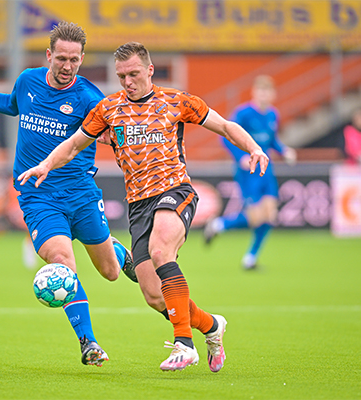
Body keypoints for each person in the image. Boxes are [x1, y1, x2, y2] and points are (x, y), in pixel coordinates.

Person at [17, 42, 269, 372]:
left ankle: (184, 344)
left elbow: (224, 125)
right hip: (138, 205)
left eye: (134, 74)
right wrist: (46, 165)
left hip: (175, 191)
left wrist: (254, 147)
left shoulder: (176, 102)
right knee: (154, 295)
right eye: (122, 76)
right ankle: (211, 326)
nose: (128, 82)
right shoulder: (108, 109)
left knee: (162, 250)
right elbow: (75, 143)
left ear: (150, 70)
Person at [0, 21, 137, 367]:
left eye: (74, 60)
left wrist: (115, 139)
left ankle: (117, 252)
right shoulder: (28, 81)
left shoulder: (90, 98)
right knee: (63, 263)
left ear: (81, 58)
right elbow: (11, 104)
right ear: (49, 55)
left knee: (108, 271)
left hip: (80, 194)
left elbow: (118, 134)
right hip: (37, 196)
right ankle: (88, 343)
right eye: (61, 58)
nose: (67, 66)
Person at [203, 75, 296, 269]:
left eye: (267, 91)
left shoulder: (273, 115)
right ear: (254, 92)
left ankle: (250, 258)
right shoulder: (243, 113)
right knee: (255, 216)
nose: (264, 95)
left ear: (273, 94)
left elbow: (271, 141)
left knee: (270, 215)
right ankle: (219, 225)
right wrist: (240, 157)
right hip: (248, 171)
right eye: (260, 91)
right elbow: (226, 135)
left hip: (266, 170)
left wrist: (284, 150)